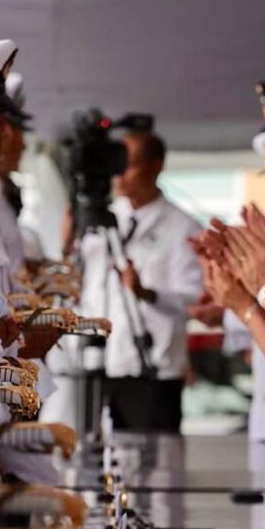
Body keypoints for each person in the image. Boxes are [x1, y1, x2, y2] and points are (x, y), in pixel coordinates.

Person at [77, 127, 203, 432]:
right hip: (100, 362)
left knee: (155, 470)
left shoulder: (183, 227)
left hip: (153, 372)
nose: (119, 174)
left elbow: (195, 300)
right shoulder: (101, 218)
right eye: (116, 164)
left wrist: (148, 293)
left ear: (155, 166)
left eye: (128, 164)